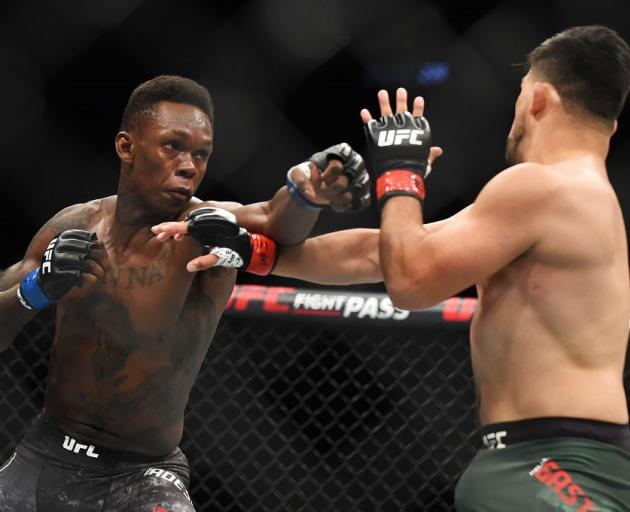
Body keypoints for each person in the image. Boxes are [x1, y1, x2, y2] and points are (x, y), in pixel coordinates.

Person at [157, 25, 630, 510]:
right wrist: (260, 251)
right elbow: (381, 253)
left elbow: (411, 280)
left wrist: (400, 174)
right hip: (544, 458)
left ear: (539, 99)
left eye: (520, 92)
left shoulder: (541, 188)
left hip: (554, 466)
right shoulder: (569, 196)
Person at [0, 75, 370, 511]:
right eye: (173, 146)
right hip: (46, 452)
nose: (190, 165)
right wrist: (35, 288)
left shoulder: (204, 230)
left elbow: (272, 219)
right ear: (127, 147)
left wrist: (305, 195)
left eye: (202, 154)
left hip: (142, 473)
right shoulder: (73, 226)